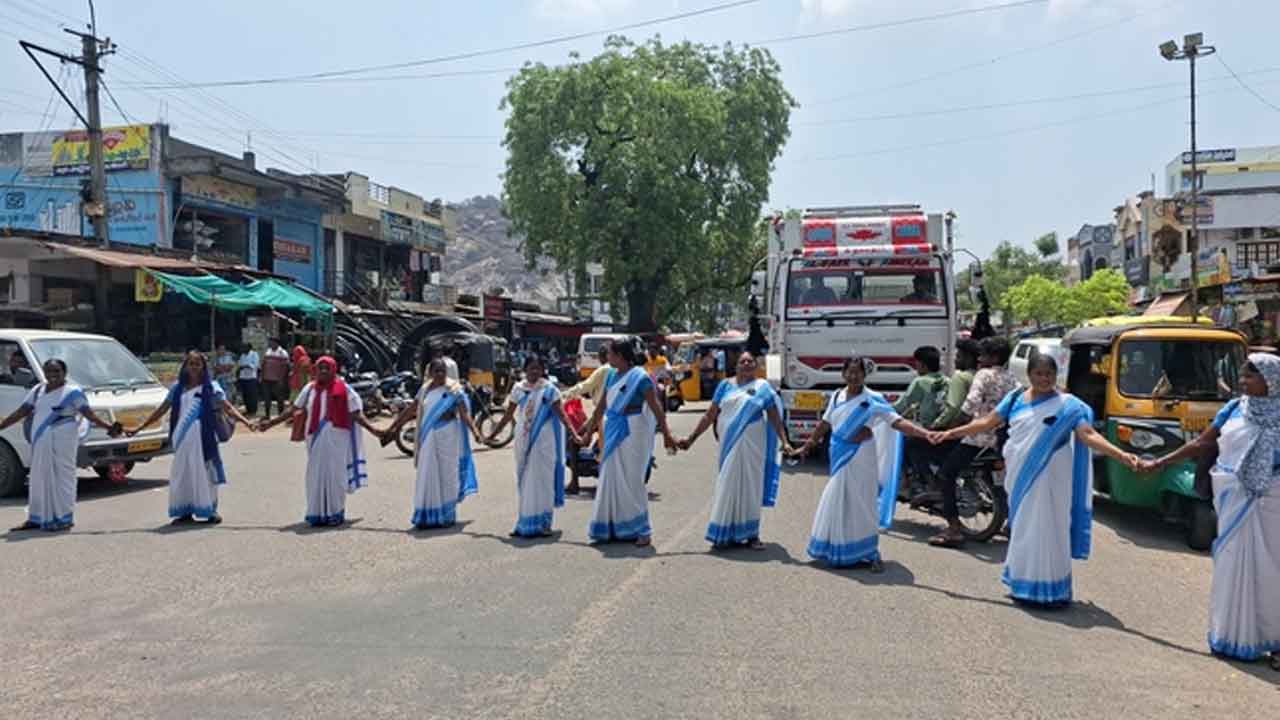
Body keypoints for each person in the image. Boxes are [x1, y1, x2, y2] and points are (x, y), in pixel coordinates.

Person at [937, 351, 1138, 606]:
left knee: (1051, 528)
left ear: (1056, 375)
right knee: (1023, 528)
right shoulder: (1015, 399)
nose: (1044, 379)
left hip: (1053, 478)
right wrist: (952, 433)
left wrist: (1122, 455)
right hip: (1021, 476)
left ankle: (1052, 590)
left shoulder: (1069, 406)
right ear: (1029, 374)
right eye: (1039, 374)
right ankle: (1023, 584)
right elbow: (988, 421)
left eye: (1049, 374)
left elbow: (1087, 435)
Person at [1140, 354, 1280, 667]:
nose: (1243, 382)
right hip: (1232, 498)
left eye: (1251, 377)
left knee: (1272, 571)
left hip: (1273, 502)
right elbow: (1203, 444)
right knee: (1232, 566)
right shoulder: (1233, 409)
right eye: (1242, 376)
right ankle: (1233, 636)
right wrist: (1160, 462)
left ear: (1271, 381)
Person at [790, 355, 933, 571]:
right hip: (838, 453)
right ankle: (835, 548)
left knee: (861, 503)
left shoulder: (874, 399)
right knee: (838, 499)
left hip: (861, 456)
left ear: (865, 375)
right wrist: (807, 445)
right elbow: (825, 423)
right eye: (850, 371)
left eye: (858, 372)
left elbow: (897, 422)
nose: (854, 376)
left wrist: (926, 434)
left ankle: (868, 552)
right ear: (843, 374)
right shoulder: (837, 396)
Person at [679, 352, 794, 549]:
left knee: (751, 485)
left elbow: (775, 418)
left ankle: (751, 535)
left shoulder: (762, 388)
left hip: (753, 444)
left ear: (756, 367)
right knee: (728, 484)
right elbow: (710, 415)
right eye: (743, 361)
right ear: (736, 366)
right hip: (728, 443)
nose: (747, 364)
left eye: (751, 361)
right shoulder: (725, 386)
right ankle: (722, 532)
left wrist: (785, 442)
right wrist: (691, 439)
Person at [127, 350, 254, 525]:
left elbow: (228, 408)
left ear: (203, 367)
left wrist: (247, 422)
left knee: (206, 473)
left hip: (204, 438)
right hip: (182, 438)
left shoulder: (211, 388)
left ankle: (209, 510)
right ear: (185, 367)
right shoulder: (177, 388)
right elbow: (162, 410)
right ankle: (184, 510)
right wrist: (140, 428)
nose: (194, 367)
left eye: (197, 364)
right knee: (183, 473)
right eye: (190, 364)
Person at [258, 356, 382, 527]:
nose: (323, 371)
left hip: (337, 438)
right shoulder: (309, 389)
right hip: (315, 438)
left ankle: (335, 512)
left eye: (327, 368)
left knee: (335, 476)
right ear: (315, 370)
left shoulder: (344, 388)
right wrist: (271, 423)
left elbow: (355, 413)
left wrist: (375, 430)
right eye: (320, 368)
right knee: (314, 476)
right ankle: (315, 513)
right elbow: (294, 409)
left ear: (334, 369)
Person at [579, 339, 679, 547]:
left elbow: (656, 406)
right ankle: (611, 527)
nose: (607, 358)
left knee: (633, 480)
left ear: (621, 356)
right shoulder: (611, 376)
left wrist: (667, 433)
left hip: (634, 430)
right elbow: (601, 407)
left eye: (610, 354)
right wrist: (588, 431)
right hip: (614, 427)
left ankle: (642, 530)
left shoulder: (640, 377)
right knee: (610, 477)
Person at [2, 359, 120, 531]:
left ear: (64, 373)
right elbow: (22, 412)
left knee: (63, 477)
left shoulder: (73, 392)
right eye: (49, 371)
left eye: (57, 371)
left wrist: (108, 427)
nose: (53, 375)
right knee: (38, 477)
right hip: (41, 439)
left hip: (64, 439)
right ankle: (36, 518)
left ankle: (63, 518)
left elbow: (89, 414)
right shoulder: (37, 390)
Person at [924, 336, 1019, 548]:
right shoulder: (1013, 379)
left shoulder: (984, 375)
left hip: (977, 438)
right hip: (1001, 440)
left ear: (993, 357)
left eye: (983, 355)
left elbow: (969, 406)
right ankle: (1010, 524)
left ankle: (953, 528)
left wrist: (952, 430)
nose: (979, 359)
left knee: (945, 474)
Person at [486, 355, 580, 537]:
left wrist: (574, 434)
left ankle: (544, 523)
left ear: (543, 370)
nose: (534, 372)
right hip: (523, 438)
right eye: (531, 368)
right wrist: (493, 434)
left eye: (538, 368)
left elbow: (561, 414)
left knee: (542, 480)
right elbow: (508, 415)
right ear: (525, 369)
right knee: (525, 479)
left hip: (544, 440)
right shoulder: (518, 389)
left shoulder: (550, 390)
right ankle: (523, 521)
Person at [382, 358, 481, 530]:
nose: (440, 375)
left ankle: (446, 515)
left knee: (447, 473)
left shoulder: (454, 390)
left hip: (448, 435)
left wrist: (475, 431)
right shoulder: (425, 390)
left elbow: (464, 414)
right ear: (430, 373)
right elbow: (410, 410)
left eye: (443, 371)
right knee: (427, 472)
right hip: (428, 436)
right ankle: (427, 514)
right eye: (437, 371)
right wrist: (393, 427)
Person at [562, 347, 611, 495]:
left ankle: (574, 482)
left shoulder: (604, 369)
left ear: (601, 357)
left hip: (602, 414)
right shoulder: (626, 370)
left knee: (574, 440)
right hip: (616, 414)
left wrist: (565, 394)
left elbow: (585, 386)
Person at [260, 338, 291, 419]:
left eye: (272, 342)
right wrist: (262, 376)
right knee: (267, 398)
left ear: (276, 343)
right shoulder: (267, 352)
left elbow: (285, 367)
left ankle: (281, 416)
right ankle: (267, 415)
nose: (270, 344)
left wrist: (281, 379)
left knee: (280, 398)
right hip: (267, 379)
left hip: (277, 380)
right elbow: (263, 364)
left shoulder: (283, 353)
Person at [237, 342, 261, 416]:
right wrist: (244, 366)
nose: (243, 349)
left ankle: (253, 411)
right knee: (245, 395)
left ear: (249, 348)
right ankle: (248, 410)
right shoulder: (242, 355)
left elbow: (255, 365)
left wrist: (247, 366)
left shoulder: (254, 354)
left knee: (252, 395)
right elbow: (239, 365)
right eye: (242, 347)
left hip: (251, 377)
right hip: (243, 377)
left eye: (244, 347)